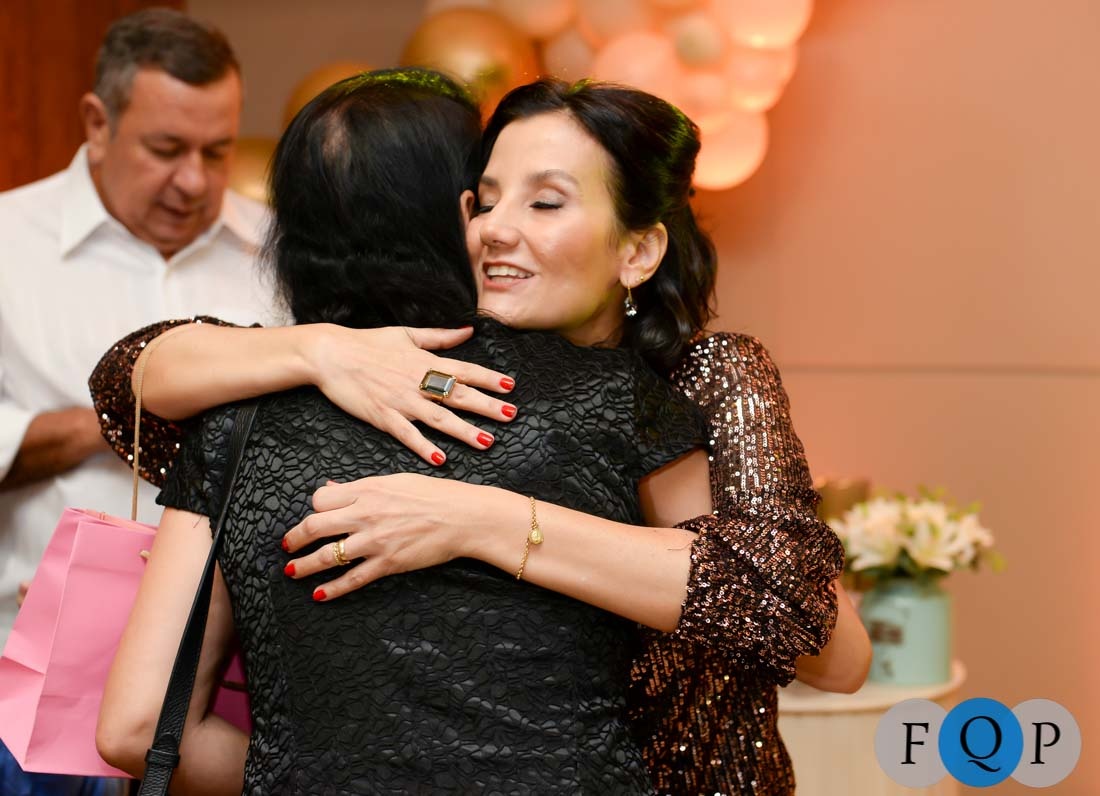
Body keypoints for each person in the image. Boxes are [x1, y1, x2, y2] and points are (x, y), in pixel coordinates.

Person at [92, 78, 870, 794]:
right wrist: (319, 349)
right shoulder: (404, 376)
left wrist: (482, 520)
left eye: (545, 203)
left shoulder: (692, 381)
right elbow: (128, 377)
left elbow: (824, 646)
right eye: (484, 201)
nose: (496, 230)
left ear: (638, 250)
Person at [0, 8, 278, 793]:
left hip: (222, 702)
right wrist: (130, 419)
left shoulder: (280, 251)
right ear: (97, 124)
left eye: (216, 151)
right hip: (28, 691)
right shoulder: (6, 242)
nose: (193, 180)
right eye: (165, 149)